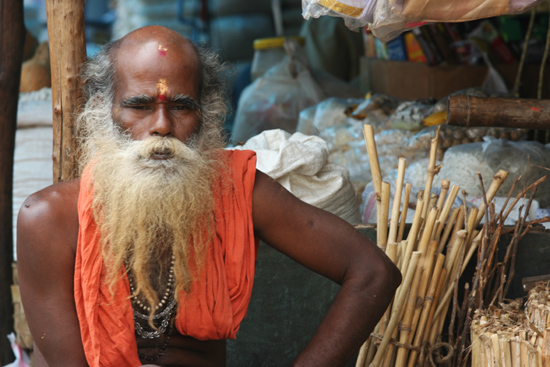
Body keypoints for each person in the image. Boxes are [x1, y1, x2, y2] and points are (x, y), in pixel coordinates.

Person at [16, 25, 401, 367]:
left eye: (181, 107)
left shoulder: (237, 190)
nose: (162, 126)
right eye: (140, 106)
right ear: (104, 110)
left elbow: (373, 272)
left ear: (207, 113)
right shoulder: (47, 219)